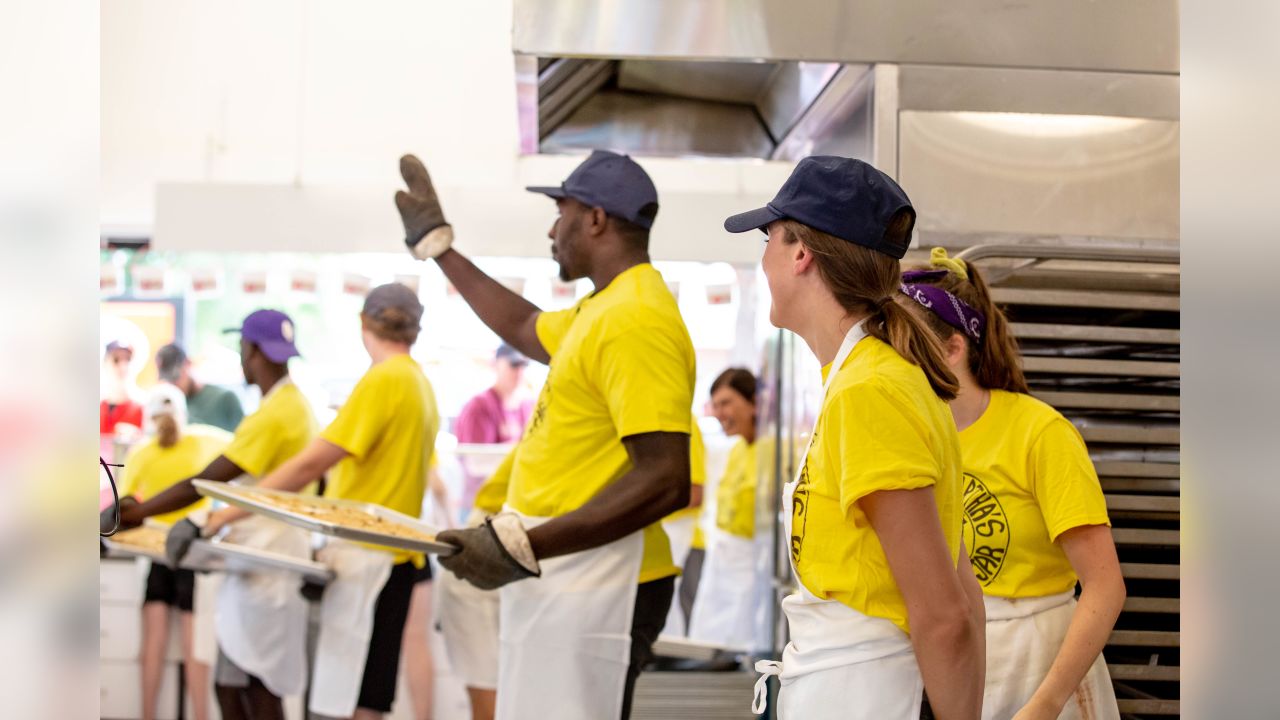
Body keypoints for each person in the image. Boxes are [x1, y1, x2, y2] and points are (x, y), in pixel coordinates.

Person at [396, 150, 695, 720]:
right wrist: (439, 247)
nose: (552, 229)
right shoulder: (602, 308)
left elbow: (665, 480)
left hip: (606, 579)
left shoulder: (637, 318)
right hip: (568, 570)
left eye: (562, 211)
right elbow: (520, 324)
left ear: (597, 220)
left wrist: (523, 546)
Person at [724, 156, 984, 719]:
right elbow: (966, 593)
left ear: (800, 255)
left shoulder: (872, 392)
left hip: (869, 696)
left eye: (767, 238)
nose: (763, 258)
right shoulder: (863, 378)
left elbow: (947, 613)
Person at [194, 284, 440, 720]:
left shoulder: (385, 380)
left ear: (364, 323)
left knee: (340, 701)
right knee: (368, 698)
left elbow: (309, 466)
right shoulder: (420, 383)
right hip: (397, 559)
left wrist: (218, 518)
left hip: (367, 559)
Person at [900, 248, 1125, 720]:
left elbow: (1105, 587)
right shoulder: (907, 438)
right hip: (948, 663)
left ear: (952, 350)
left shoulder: (1039, 433)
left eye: (903, 347)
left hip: (1042, 665)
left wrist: (1044, 704)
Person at [115, 309, 319, 720]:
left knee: (259, 687)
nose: (242, 358)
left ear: (254, 351)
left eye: (243, 349)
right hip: (255, 558)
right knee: (230, 684)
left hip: (269, 561)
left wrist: (139, 513)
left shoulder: (277, 413)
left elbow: (208, 481)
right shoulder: (290, 405)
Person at [119, 385, 229, 720]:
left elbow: (126, 501)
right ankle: (200, 715)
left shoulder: (141, 452)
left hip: (155, 553)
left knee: (153, 643)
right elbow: (243, 450)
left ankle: (148, 714)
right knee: (196, 646)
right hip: (191, 551)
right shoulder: (203, 440)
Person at [688, 368, 763, 649]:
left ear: (753, 402)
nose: (719, 413)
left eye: (726, 403)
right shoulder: (737, 449)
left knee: (740, 640)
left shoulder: (771, 451)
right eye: (715, 405)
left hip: (751, 564)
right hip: (723, 559)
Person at [454, 343, 533, 515]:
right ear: (496, 365)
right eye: (513, 365)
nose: (519, 371)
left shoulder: (527, 407)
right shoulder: (480, 406)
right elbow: (478, 462)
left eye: (523, 365)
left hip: (511, 506)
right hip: (481, 506)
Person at [659, 420, 706, 636]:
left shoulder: (685, 424)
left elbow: (694, 494)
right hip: (663, 532)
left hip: (681, 534)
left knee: (671, 598)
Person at [156, 343, 246, 432]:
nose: (174, 384)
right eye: (169, 379)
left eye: (176, 377)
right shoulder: (170, 406)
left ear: (188, 363)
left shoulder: (226, 399)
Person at [101, 339, 144, 435]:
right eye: (116, 360)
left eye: (128, 359)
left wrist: (138, 436)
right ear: (104, 363)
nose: (123, 366)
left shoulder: (142, 408)